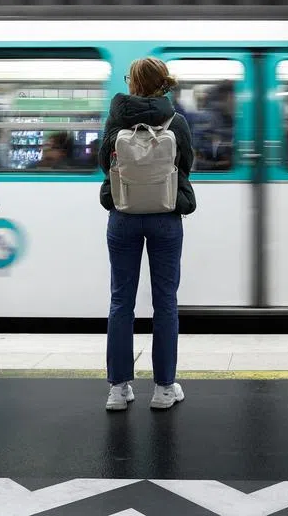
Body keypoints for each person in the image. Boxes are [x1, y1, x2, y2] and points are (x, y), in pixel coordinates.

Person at [98, 57, 196, 412]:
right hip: (166, 215)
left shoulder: (116, 118)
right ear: (162, 83)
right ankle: (164, 388)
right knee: (165, 301)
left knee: (120, 300)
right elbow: (186, 164)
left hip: (123, 213)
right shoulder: (177, 120)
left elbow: (102, 162)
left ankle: (118, 389)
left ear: (133, 83)